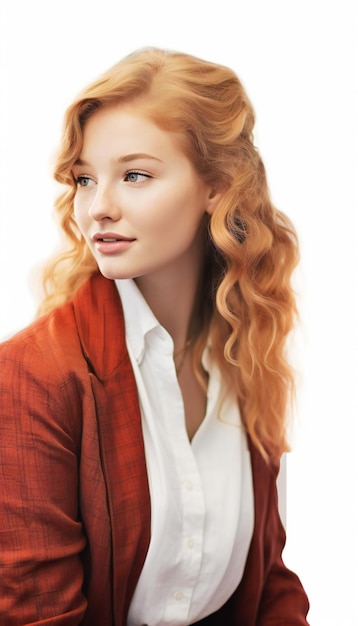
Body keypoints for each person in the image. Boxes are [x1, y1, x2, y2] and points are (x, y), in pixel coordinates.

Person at [0, 47, 310, 625]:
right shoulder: (35, 375)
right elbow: (35, 614)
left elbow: (268, 581)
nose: (99, 207)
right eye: (86, 179)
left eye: (135, 175)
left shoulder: (249, 352)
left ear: (217, 186)